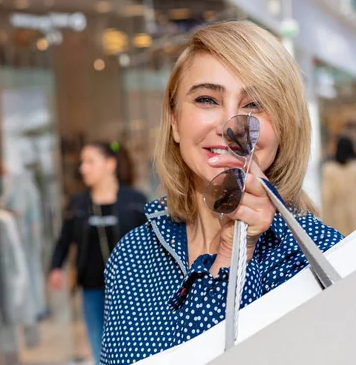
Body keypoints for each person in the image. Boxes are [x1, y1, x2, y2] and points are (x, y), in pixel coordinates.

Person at [100, 21, 343, 364]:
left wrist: (235, 250)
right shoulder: (133, 257)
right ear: (174, 121)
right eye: (206, 99)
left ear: (284, 127)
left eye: (255, 104)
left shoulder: (322, 257)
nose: (230, 125)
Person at [48, 142, 147, 361]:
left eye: (90, 162)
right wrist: (55, 267)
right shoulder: (78, 204)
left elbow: (151, 241)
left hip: (129, 288)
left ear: (110, 164)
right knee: (99, 346)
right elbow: (64, 240)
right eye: (82, 163)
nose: (83, 168)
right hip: (91, 288)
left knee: (131, 346)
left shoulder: (135, 201)